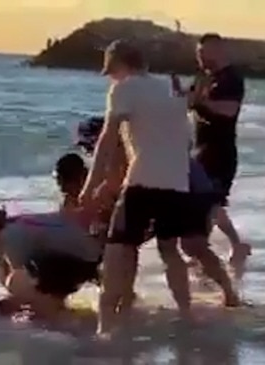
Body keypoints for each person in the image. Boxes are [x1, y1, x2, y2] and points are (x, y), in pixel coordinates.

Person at [78, 40, 202, 339]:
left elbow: (107, 139)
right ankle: (186, 315)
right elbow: (186, 140)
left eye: (111, 71)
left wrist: (90, 185)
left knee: (118, 249)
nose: (111, 78)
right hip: (177, 182)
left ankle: (105, 326)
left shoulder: (124, 88)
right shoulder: (169, 90)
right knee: (169, 250)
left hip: (143, 180)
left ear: (119, 65)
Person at [75, 117, 242, 307]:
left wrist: (96, 201)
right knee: (141, 244)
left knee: (187, 245)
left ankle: (223, 295)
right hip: (183, 185)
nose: (88, 153)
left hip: (190, 188)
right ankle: (132, 296)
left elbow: (118, 184)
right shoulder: (136, 137)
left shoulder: (121, 146)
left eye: (88, 147)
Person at [172, 33, 251, 265]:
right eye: (198, 54)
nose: (200, 58)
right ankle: (208, 249)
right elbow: (188, 103)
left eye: (203, 53)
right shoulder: (204, 78)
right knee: (207, 203)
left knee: (211, 203)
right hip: (201, 150)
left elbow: (228, 110)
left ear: (218, 50)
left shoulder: (231, 79)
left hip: (221, 152)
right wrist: (178, 96)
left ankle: (233, 245)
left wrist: (198, 101)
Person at [0, 202, 102, 322]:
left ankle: (60, 317)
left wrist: (13, 303)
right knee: (17, 280)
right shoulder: (2, 238)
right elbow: (6, 275)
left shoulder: (10, 235)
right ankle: (56, 308)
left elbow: (19, 281)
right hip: (66, 260)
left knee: (17, 282)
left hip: (85, 259)